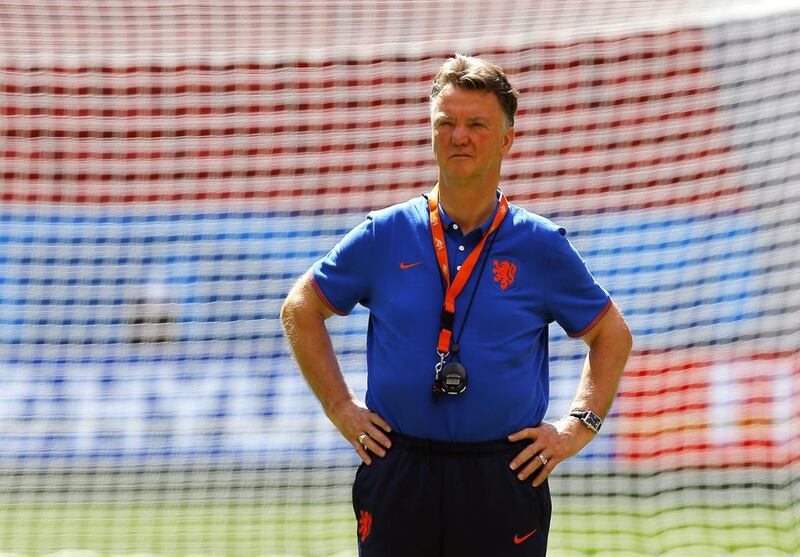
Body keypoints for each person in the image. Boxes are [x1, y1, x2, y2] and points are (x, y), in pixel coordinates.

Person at [280, 54, 633, 556]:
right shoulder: (385, 233)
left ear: (508, 139)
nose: (458, 136)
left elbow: (611, 334)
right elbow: (300, 309)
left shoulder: (540, 244)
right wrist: (340, 406)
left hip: (504, 474)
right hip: (398, 468)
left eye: (476, 124)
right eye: (445, 123)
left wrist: (579, 427)